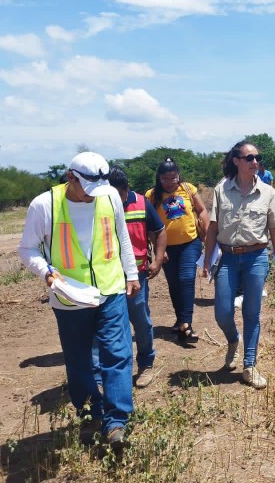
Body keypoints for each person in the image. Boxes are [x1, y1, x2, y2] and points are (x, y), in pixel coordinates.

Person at [18, 152, 139, 449]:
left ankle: (116, 421)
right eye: (87, 189)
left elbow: (122, 236)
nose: (92, 197)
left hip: (110, 290)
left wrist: (131, 274)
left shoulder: (109, 195)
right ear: (71, 177)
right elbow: (28, 250)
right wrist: (46, 272)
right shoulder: (44, 205)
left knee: (118, 354)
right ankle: (90, 414)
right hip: (69, 298)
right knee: (79, 360)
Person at [203, 141, 275, 389]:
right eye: (249, 158)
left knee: (252, 312)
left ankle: (249, 366)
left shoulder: (268, 192)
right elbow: (213, 228)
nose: (254, 163)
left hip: (256, 257)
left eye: (257, 158)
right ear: (237, 161)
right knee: (223, 312)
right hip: (227, 257)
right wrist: (207, 260)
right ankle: (233, 339)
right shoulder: (222, 190)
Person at [107, 166, 167, 388]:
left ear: (126, 189)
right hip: (107, 277)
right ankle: (116, 369)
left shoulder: (142, 203)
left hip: (136, 275)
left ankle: (146, 364)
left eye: (118, 195)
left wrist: (158, 260)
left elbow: (160, 230)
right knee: (111, 325)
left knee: (140, 320)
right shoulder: (97, 205)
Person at [146, 158, 209, 345]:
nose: (170, 182)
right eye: (165, 178)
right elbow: (149, 225)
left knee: (186, 278)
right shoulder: (151, 195)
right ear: (159, 178)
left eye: (173, 177)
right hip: (165, 248)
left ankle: (186, 324)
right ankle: (180, 319)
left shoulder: (188, 189)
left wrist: (205, 232)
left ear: (178, 175)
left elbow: (202, 210)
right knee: (174, 283)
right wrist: (158, 249)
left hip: (190, 242)